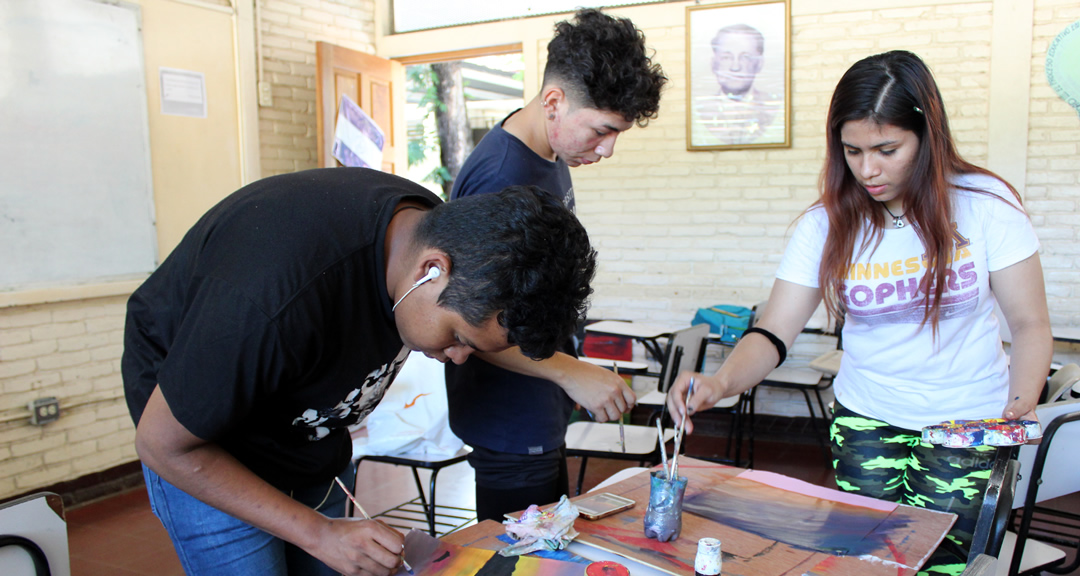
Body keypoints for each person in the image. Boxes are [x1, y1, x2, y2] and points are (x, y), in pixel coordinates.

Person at [669, 50, 1051, 575]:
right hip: (867, 419)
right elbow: (775, 330)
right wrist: (721, 382)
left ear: (927, 135)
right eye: (852, 151)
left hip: (968, 422)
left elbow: (1029, 324)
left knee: (944, 564)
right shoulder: (824, 225)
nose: (868, 169)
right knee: (864, 562)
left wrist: (1020, 404)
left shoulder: (986, 204)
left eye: (887, 149)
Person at [121, 167, 597, 576]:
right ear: (431, 272)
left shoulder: (437, 236)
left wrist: (565, 370)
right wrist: (319, 532)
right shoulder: (269, 299)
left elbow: (472, 325)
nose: (457, 359)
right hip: (203, 447)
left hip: (299, 435)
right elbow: (163, 444)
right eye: (457, 340)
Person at [446, 8, 667, 522]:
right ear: (553, 102)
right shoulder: (502, 178)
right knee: (520, 557)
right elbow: (469, 321)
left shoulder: (546, 159)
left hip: (537, 406)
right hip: (509, 418)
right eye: (601, 130)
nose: (608, 149)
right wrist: (573, 373)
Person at [693, 23, 783, 146]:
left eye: (745, 57)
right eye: (726, 57)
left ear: (759, 64)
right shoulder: (700, 109)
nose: (735, 67)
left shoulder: (774, 106)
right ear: (713, 64)